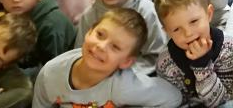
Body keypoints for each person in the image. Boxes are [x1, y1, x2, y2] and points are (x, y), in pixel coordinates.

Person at [32, 8, 182, 107]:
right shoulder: (50, 74)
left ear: (126, 62)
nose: (101, 46)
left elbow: (173, 97)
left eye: (115, 47)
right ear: (89, 31)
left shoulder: (124, 86)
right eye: (100, 34)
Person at [155, 0, 233, 107]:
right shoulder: (165, 62)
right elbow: (174, 101)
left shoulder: (228, 48)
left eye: (194, 21)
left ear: (209, 14)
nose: (188, 33)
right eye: (177, 29)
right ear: (167, 31)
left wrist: (202, 64)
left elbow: (221, 100)